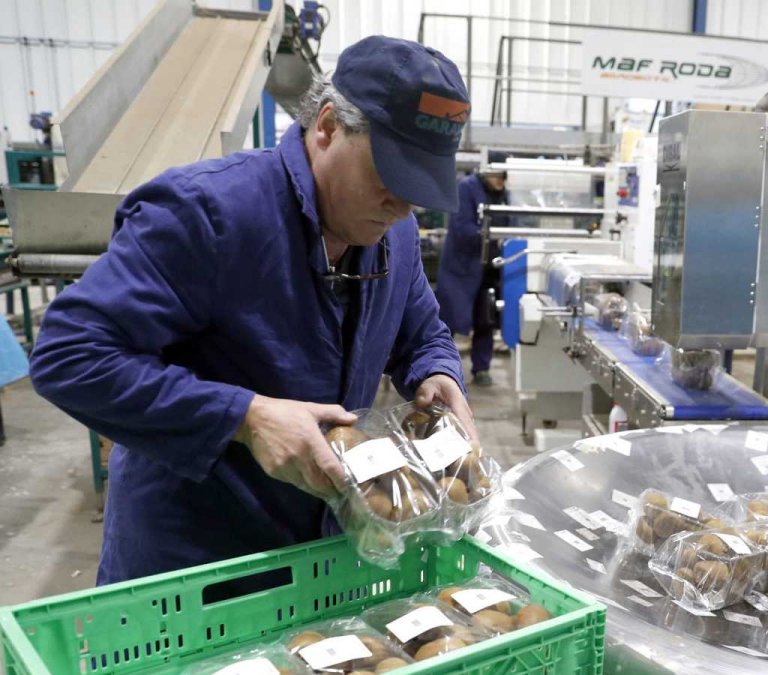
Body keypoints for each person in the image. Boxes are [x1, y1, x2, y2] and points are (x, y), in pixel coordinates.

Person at [28, 37, 475, 584]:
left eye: (420, 187)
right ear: (328, 127)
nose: (404, 205)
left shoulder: (396, 233)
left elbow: (421, 330)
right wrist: (244, 417)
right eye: (391, 176)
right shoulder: (208, 214)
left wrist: (437, 372)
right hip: (196, 567)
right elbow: (68, 356)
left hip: (329, 557)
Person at [436, 154, 510, 386]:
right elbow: (462, 227)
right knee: (449, 321)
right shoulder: (466, 188)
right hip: (461, 269)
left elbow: (511, 222)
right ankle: (437, 368)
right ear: (486, 171)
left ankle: (481, 368)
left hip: (489, 268)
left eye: (504, 176)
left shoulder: (504, 195)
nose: (501, 180)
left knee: (485, 320)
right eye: (497, 175)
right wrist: (493, 237)